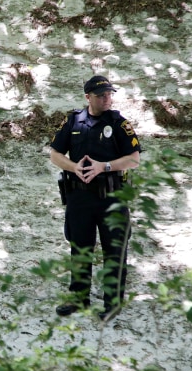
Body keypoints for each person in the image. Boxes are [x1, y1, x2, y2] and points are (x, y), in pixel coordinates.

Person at [49, 75, 142, 321]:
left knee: (114, 250)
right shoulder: (74, 121)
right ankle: (78, 298)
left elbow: (133, 159)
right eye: (101, 95)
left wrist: (105, 166)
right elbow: (55, 154)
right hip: (79, 196)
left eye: (109, 94)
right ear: (88, 97)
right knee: (80, 249)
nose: (106, 99)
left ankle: (113, 303)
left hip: (111, 197)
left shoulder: (119, 124)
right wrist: (73, 167)